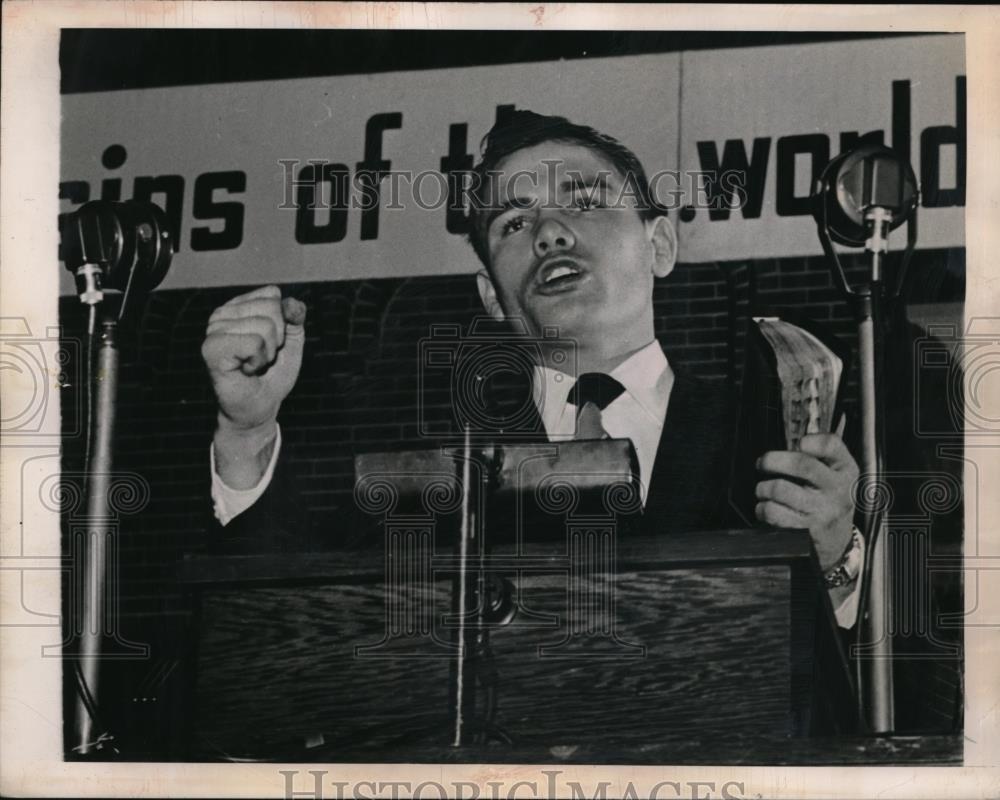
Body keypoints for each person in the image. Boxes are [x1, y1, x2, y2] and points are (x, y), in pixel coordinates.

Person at [201, 110, 863, 626]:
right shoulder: (429, 453)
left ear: (660, 245)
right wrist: (248, 432)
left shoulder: (779, 418)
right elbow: (265, 622)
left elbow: (899, 681)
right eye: (515, 223)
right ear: (492, 294)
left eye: (584, 202)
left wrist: (835, 557)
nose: (549, 232)